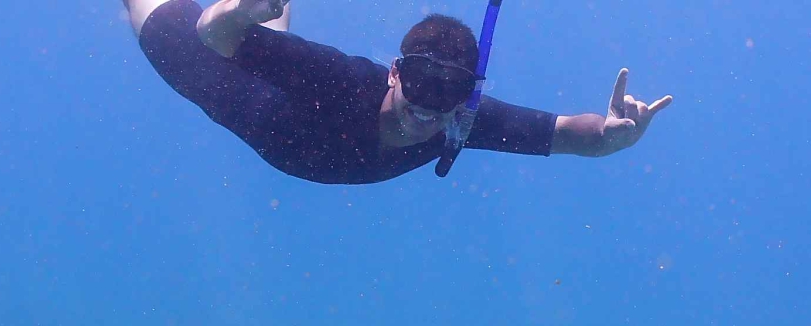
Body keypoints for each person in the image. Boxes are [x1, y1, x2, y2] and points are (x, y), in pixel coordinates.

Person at [126, 0, 673, 184]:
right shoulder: (340, 80)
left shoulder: (463, 119)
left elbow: (572, 135)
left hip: (272, 83)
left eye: (449, 91)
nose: (428, 107)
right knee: (180, 21)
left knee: (266, 30)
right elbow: (213, 37)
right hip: (210, 71)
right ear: (394, 72)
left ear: (467, 94)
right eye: (420, 83)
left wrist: (615, 134)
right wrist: (234, 13)